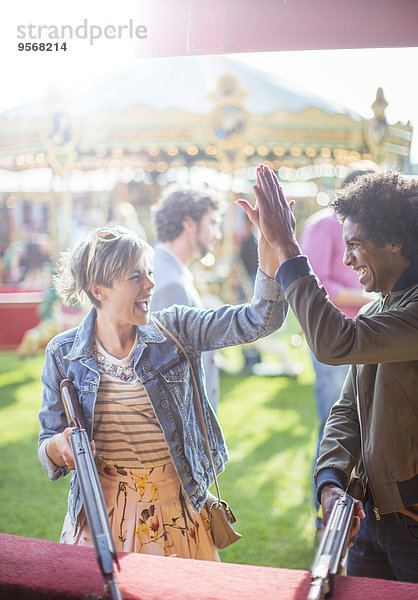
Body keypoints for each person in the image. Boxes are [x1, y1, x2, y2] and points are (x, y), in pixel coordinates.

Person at [38, 224, 286, 561]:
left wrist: (272, 244)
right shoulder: (62, 353)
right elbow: (48, 442)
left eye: (150, 273)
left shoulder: (178, 330)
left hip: (176, 513)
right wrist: (60, 446)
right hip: (99, 516)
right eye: (135, 276)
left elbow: (261, 319)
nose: (151, 284)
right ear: (99, 289)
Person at [239, 165, 418, 582]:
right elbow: (347, 411)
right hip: (371, 519)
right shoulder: (379, 308)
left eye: (354, 243)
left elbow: (334, 343)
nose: (346, 257)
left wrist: (286, 246)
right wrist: (331, 480)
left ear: (395, 241)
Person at [299, 171, 373, 535]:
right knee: (335, 419)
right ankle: (324, 511)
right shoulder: (321, 226)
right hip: (336, 338)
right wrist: (369, 297)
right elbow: (318, 288)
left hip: (366, 336)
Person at [151, 188, 222, 411]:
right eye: (212, 223)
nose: (217, 235)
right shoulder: (171, 284)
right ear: (189, 223)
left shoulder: (171, 271)